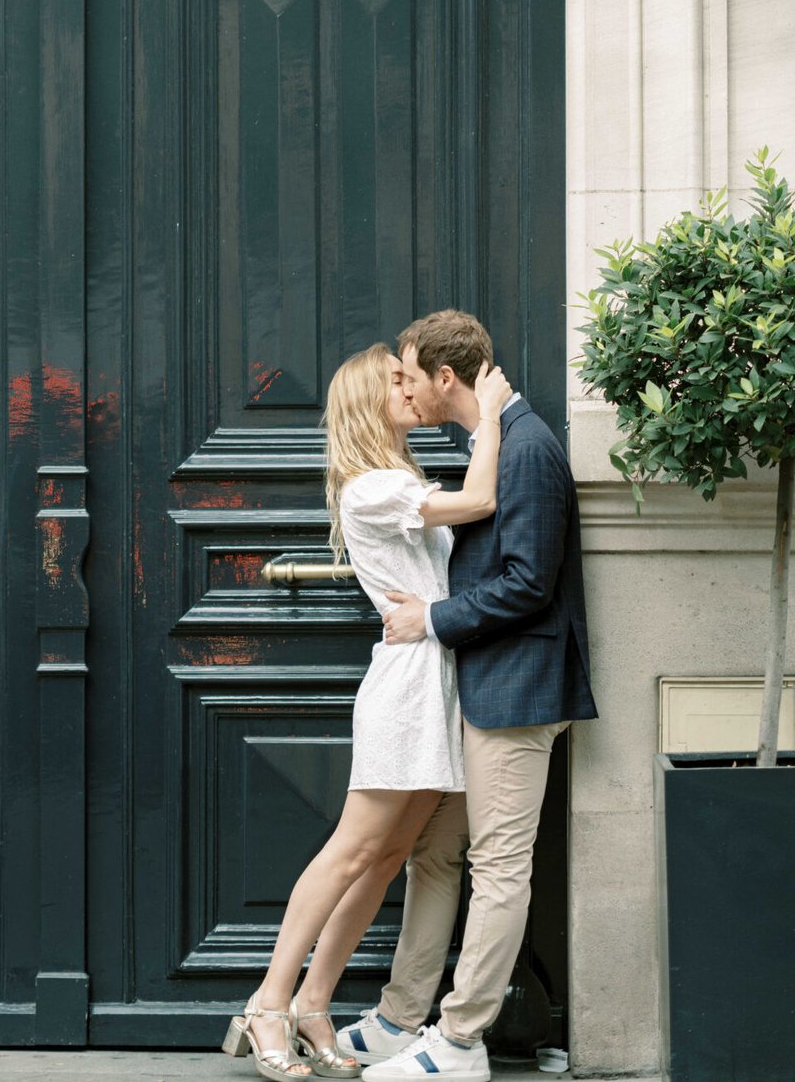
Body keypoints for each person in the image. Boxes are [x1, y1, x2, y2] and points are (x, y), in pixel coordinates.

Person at [223, 343, 515, 1081]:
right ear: (367, 400)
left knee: (388, 857)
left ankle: (315, 1000)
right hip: (408, 687)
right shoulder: (370, 487)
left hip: (438, 678)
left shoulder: (398, 476)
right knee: (352, 850)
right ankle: (268, 1000)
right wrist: (493, 421)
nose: (410, 388)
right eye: (396, 380)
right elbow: (480, 502)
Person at [351, 309, 597, 1080]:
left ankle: (458, 1041)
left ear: (444, 377)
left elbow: (528, 582)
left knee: (497, 865)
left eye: (410, 375)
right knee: (435, 853)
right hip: (481, 686)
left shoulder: (525, 448)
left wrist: (430, 617)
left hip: (516, 693)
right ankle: (400, 1016)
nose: (405, 390)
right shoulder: (498, 442)